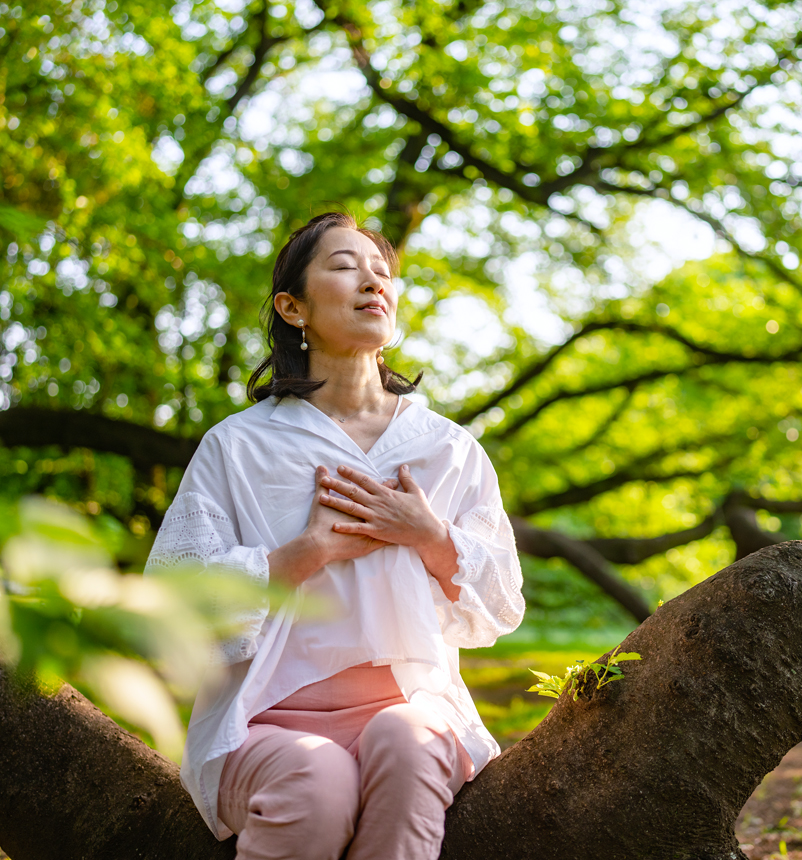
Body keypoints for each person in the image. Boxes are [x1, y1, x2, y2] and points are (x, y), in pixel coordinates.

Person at [145, 211, 526, 860]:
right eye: (346, 266)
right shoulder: (238, 446)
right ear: (293, 308)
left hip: (414, 706)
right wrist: (303, 554)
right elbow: (170, 605)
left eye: (383, 271)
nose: (373, 281)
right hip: (265, 721)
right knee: (314, 782)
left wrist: (430, 534)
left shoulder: (447, 449)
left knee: (408, 746)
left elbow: (502, 603)